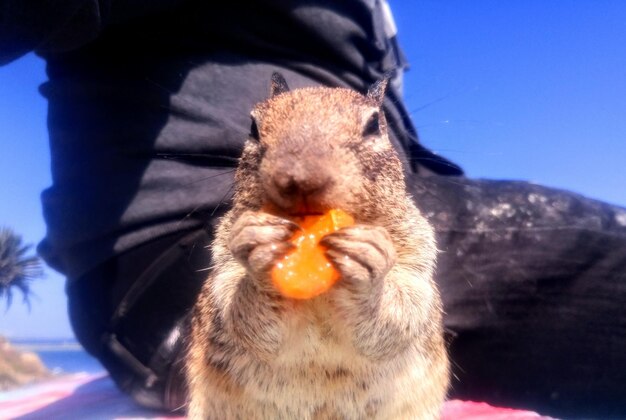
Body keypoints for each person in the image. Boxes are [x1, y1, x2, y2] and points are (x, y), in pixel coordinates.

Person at [1, 1, 625, 417]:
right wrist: (259, 282)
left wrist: (372, 291)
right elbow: (248, 334)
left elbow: (394, 333)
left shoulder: (396, 219)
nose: (299, 177)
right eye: (262, 139)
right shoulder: (246, 220)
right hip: (164, 247)